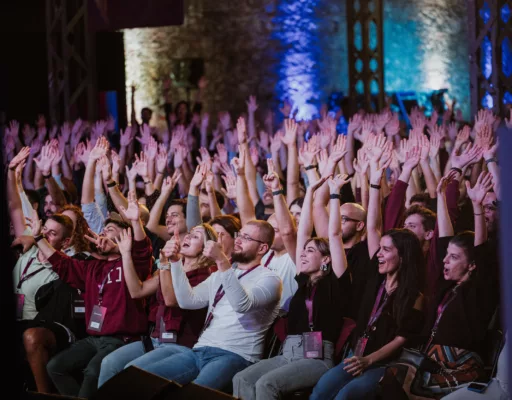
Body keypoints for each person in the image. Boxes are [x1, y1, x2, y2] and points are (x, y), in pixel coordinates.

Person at [310, 135, 425, 400]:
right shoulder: (376, 279)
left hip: (384, 363)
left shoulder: (414, 295)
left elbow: (401, 339)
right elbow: (373, 226)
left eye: (386, 250)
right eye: (380, 249)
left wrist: (369, 360)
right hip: (355, 356)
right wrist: (374, 177)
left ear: (403, 257)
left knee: (345, 397)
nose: (380, 255)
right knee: (319, 393)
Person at [382, 171, 500, 399]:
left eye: (454, 257)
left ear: (472, 265)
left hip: (459, 365)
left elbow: (482, 250)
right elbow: (443, 237)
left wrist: (477, 206)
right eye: (447, 256)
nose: (445, 261)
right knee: (391, 379)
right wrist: (441, 198)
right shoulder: (446, 285)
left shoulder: (480, 290)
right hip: (430, 360)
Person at [232, 174, 350, 399]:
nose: (302, 254)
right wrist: (311, 192)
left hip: (317, 358)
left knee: (267, 384)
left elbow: (334, 235)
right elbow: (302, 232)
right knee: (242, 379)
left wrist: (334, 194)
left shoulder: (336, 282)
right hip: (288, 352)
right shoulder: (303, 280)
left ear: (326, 259)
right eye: (302, 251)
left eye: (311, 251)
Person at [136, 219, 282, 393]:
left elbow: (242, 304)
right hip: (199, 350)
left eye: (247, 237)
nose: (238, 240)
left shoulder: (270, 279)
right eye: (239, 235)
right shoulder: (222, 274)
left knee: (195, 395)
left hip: (235, 355)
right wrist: (175, 262)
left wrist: (221, 260)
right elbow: (187, 300)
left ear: (262, 248)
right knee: (142, 379)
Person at [30, 191, 152, 398]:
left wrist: (135, 222)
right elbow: (63, 264)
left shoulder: (132, 263)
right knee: (55, 366)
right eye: (103, 229)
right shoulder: (93, 267)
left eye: (111, 229)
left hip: (122, 339)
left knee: (93, 370)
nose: (103, 233)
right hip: (93, 338)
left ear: (125, 237)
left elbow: (141, 249)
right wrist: (38, 237)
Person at [97, 223, 217, 387]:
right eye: (189, 233)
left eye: (195, 236)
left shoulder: (205, 277)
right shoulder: (172, 267)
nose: (187, 236)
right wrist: (125, 254)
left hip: (180, 346)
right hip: (155, 340)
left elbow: (171, 300)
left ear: (206, 248)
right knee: (109, 363)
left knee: (130, 372)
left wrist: (166, 262)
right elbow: (137, 291)